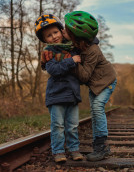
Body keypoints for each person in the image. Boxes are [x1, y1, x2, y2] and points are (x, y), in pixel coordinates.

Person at [64, 11, 117, 162]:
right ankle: (97, 145)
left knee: (98, 107)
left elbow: (84, 76)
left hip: (106, 82)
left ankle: (102, 147)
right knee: (94, 112)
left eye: (66, 30)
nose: (63, 31)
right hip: (95, 85)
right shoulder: (78, 45)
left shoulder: (92, 50)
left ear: (75, 35)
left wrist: (72, 60)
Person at [34, 14, 84, 162]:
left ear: (61, 31)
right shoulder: (49, 53)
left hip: (72, 95)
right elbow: (54, 70)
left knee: (73, 125)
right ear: (45, 40)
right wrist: (71, 61)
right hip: (56, 96)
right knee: (58, 126)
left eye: (55, 32)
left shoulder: (73, 48)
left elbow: (87, 43)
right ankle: (58, 151)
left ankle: (74, 149)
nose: (54, 37)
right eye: (49, 35)